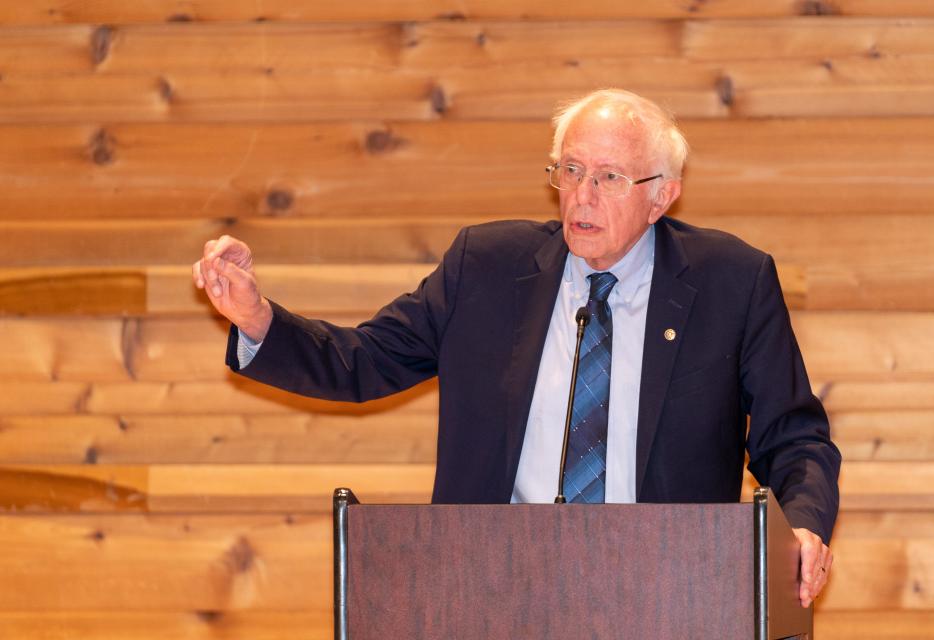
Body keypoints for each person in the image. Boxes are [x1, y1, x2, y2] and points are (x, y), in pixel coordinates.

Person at [193, 89, 840, 607]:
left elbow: (793, 435)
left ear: (661, 194)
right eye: (571, 171)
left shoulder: (731, 280)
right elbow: (363, 362)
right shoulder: (487, 266)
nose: (581, 196)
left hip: (668, 589)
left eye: (609, 177)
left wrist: (804, 526)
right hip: (490, 586)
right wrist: (256, 316)